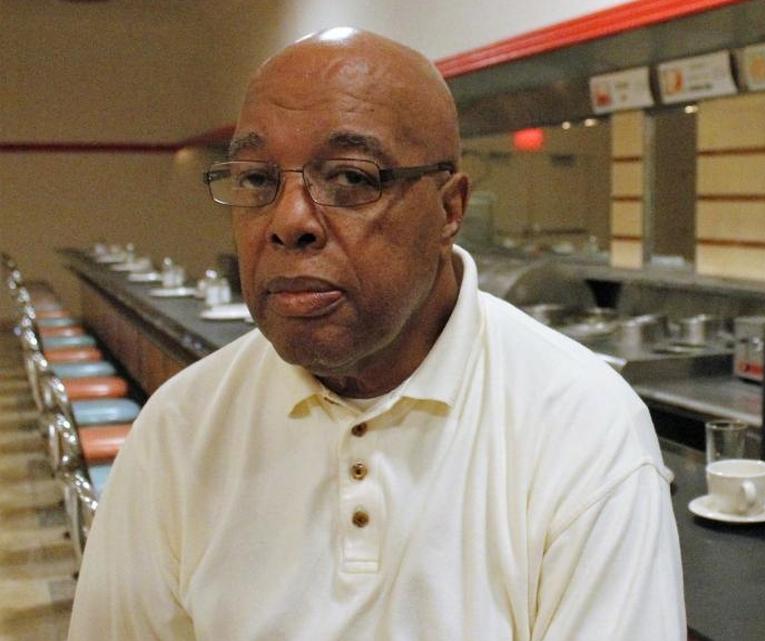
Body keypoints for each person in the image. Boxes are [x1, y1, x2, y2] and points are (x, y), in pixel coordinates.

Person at [67, 28, 685, 640]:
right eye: (257, 180)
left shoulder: (584, 430)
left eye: (353, 178)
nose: (289, 222)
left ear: (449, 210)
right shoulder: (182, 428)